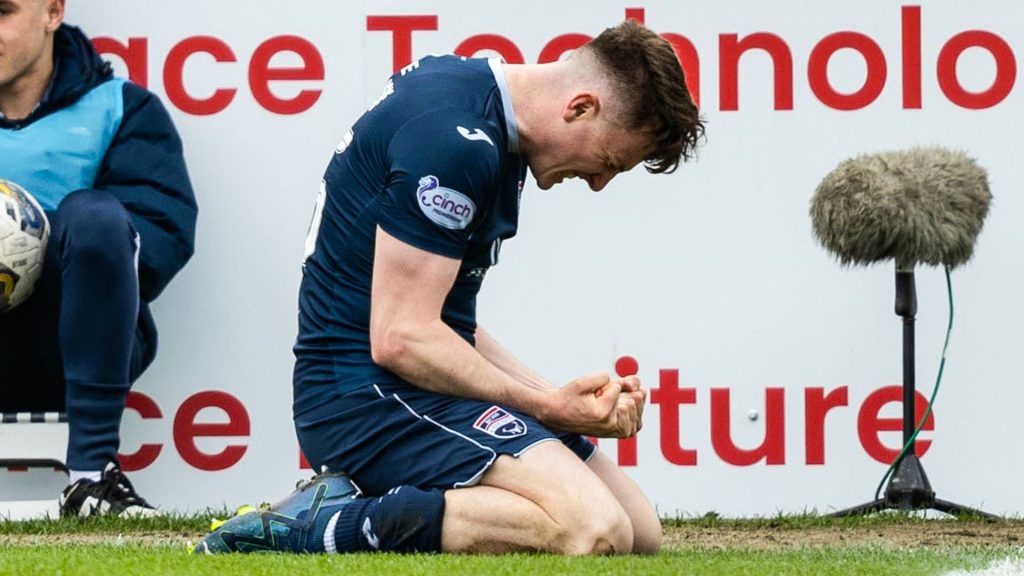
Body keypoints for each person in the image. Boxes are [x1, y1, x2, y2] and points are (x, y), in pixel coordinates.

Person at [197, 20, 701, 555]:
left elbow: (447, 326)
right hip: (361, 400)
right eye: (608, 162)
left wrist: (556, 398)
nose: (599, 183)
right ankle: (321, 523)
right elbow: (401, 338)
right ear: (580, 107)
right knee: (594, 529)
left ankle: (388, 505)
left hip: (416, 384)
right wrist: (546, 407)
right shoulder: (457, 143)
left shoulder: (482, 108)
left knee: (638, 530)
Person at [0, 0, 197, 516]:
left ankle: (91, 477)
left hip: (70, 344)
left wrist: (28, 240)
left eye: (3, 11)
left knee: (95, 217)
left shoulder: (120, 108)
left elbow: (162, 234)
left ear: (52, 12)